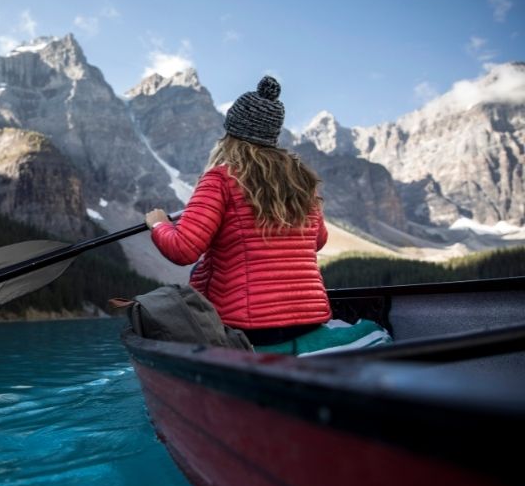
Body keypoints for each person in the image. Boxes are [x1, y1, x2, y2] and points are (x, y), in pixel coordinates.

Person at [145, 76, 389, 355]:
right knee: (202, 270)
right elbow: (317, 240)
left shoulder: (220, 179)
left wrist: (159, 224)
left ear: (230, 133)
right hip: (309, 322)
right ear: (273, 136)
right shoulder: (301, 181)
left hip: (250, 331)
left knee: (197, 270)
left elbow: (183, 248)